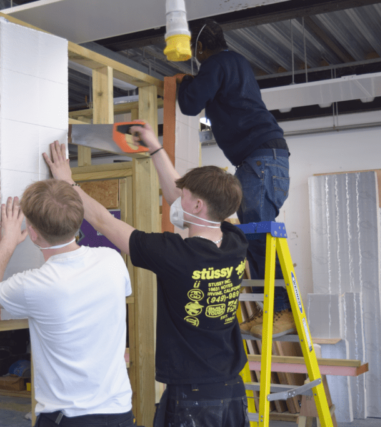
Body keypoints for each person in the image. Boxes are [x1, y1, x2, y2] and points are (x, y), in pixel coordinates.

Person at [43, 125, 250, 427]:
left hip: (193, 397)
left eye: (184, 195)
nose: (176, 198)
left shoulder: (173, 254)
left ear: (197, 205)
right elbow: (181, 199)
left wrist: (68, 183)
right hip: (231, 390)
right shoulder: (234, 242)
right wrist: (155, 147)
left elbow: (103, 221)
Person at [0, 180, 134, 427]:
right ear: (77, 222)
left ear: (33, 233)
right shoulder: (112, 260)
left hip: (67, 420)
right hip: (120, 414)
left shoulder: (36, 285)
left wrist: (9, 241)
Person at [176, 18, 294, 338]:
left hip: (260, 160)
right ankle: (271, 309)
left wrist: (183, 81)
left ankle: (283, 310)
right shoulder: (237, 62)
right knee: (255, 239)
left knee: (260, 238)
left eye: (194, 50)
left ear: (200, 47)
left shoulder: (215, 64)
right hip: (263, 159)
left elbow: (189, 103)